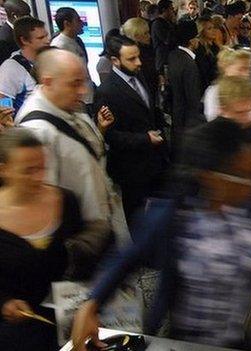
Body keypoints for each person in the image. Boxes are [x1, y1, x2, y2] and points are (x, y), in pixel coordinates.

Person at [71, 117, 251, 350]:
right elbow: (127, 256)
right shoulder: (175, 214)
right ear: (211, 177)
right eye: (240, 175)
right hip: (186, 340)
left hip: (246, 333)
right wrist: (91, 303)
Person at [15, 48, 124, 273]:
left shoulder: (69, 109)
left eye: (83, 81)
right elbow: (42, 197)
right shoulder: (38, 131)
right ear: (48, 82)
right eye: (74, 84)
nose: (83, 91)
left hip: (98, 232)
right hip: (79, 244)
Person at [0, 128, 86, 351]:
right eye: (28, 171)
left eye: (42, 168)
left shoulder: (66, 201)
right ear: (4, 170)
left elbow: (83, 253)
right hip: (18, 334)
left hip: (70, 322)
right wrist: (4, 302)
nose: (39, 177)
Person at [94, 35, 168, 223]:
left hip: (156, 162)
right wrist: (145, 139)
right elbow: (110, 135)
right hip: (131, 170)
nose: (139, 62)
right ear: (114, 61)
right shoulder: (107, 91)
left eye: (138, 56)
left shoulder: (138, 75)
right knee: (138, 220)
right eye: (132, 59)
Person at [167, 20, 205, 150]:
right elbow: (193, 98)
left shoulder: (173, 56)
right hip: (188, 122)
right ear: (191, 40)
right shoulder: (189, 64)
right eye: (197, 37)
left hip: (177, 116)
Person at [0, 16, 49, 113]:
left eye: (46, 36)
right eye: (41, 38)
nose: (47, 41)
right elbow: (3, 108)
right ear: (24, 40)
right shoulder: (11, 68)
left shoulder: (48, 59)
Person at [51, 7, 95, 107]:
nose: (82, 23)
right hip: (76, 100)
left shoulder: (77, 40)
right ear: (67, 24)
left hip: (87, 95)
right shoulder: (59, 45)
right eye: (78, 20)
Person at [203, 48, 251, 121]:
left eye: (248, 69)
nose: (247, 73)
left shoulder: (248, 90)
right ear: (227, 68)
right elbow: (212, 121)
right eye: (241, 69)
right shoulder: (213, 92)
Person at [122, 17, 159, 95]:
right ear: (136, 36)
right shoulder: (135, 55)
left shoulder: (147, 50)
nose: (149, 36)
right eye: (145, 33)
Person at [151, 0, 177, 73]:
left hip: (172, 58)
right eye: (171, 9)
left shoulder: (169, 22)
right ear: (164, 10)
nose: (173, 11)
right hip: (163, 59)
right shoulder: (157, 24)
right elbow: (167, 40)